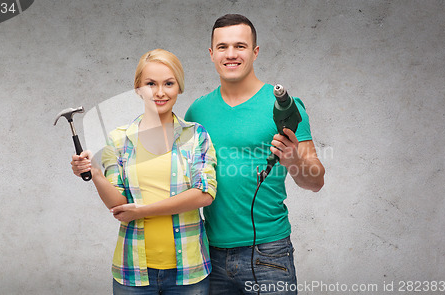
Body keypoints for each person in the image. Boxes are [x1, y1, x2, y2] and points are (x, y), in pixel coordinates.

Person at [184, 14, 325, 294]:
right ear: (212, 54)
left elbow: (316, 181)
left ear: (255, 52)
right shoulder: (196, 112)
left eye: (240, 46)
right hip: (209, 253)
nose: (231, 54)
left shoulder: (286, 107)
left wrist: (294, 160)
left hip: (269, 254)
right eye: (222, 47)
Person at [71, 48, 217, 295]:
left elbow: (204, 193)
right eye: (151, 84)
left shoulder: (195, 135)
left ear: (179, 87)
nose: (160, 92)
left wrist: (143, 211)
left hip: (189, 272)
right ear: (137, 88)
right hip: (133, 272)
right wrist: (95, 173)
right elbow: (117, 203)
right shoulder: (119, 139)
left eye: (168, 83)